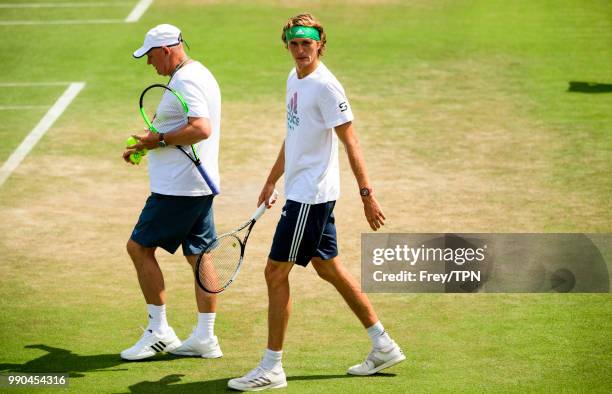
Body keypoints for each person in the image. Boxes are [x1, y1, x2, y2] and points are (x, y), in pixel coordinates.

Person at [228, 13, 405, 391]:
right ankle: (383, 344)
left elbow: (351, 141)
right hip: (302, 191)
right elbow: (293, 134)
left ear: (320, 44)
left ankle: (272, 367)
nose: (300, 50)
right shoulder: (293, 78)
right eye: (294, 43)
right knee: (329, 269)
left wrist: (367, 195)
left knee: (275, 273)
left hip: (310, 197)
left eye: (307, 43)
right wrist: (272, 177)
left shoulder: (327, 88)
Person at [120, 24, 223, 361]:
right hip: (196, 186)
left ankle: (158, 332)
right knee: (199, 255)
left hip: (177, 190)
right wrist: (146, 145)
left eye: (150, 56)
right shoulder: (198, 73)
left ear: (165, 49)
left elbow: (200, 128)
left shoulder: (186, 80)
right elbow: (177, 125)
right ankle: (206, 337)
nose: (149, 63)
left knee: (138, 248)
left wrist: (158, 140)